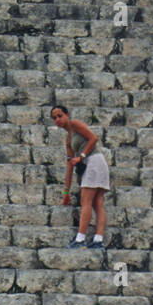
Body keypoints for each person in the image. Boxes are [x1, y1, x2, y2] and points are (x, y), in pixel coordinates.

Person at [50, 104, 108, 249]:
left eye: (60, 115)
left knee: (87, 201)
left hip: (94, 161)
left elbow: (93, 139)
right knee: (96, 203)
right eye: (54, 118)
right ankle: (98, 240)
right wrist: (65, 192)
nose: (57, 119)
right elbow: (70, 165)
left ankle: (81, 239)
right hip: (90, 164)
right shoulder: (68, 139)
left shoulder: (75, 124)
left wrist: (81, 157)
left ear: (67, 115)